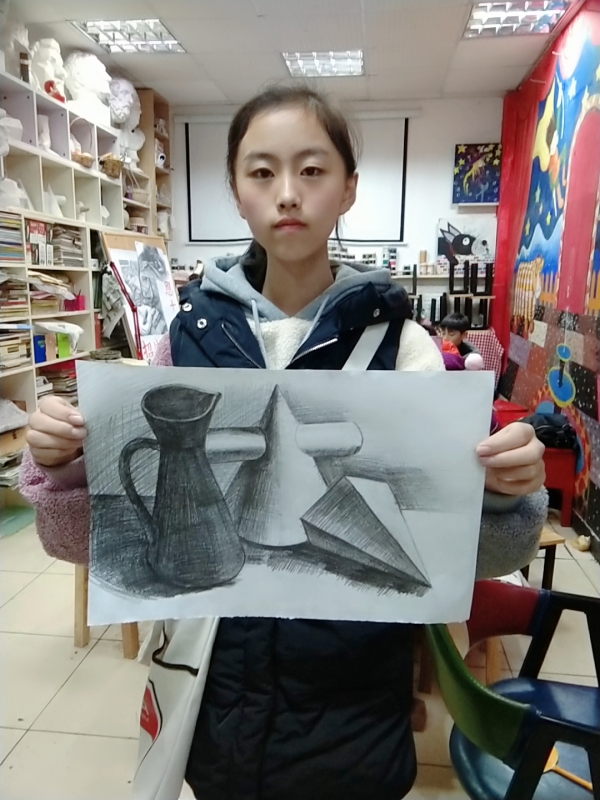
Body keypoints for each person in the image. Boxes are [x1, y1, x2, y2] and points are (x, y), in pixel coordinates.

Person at [20, 85, 547, 800]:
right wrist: (66, 468)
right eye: (262, 171)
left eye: (313, 169)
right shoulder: (182, 348)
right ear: (237, 192)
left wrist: (505, 493)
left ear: (349, 188)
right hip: (214, 703)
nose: (288, 193)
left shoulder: (405, 352)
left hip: (356, 705)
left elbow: (483, 555)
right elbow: (91, 542)